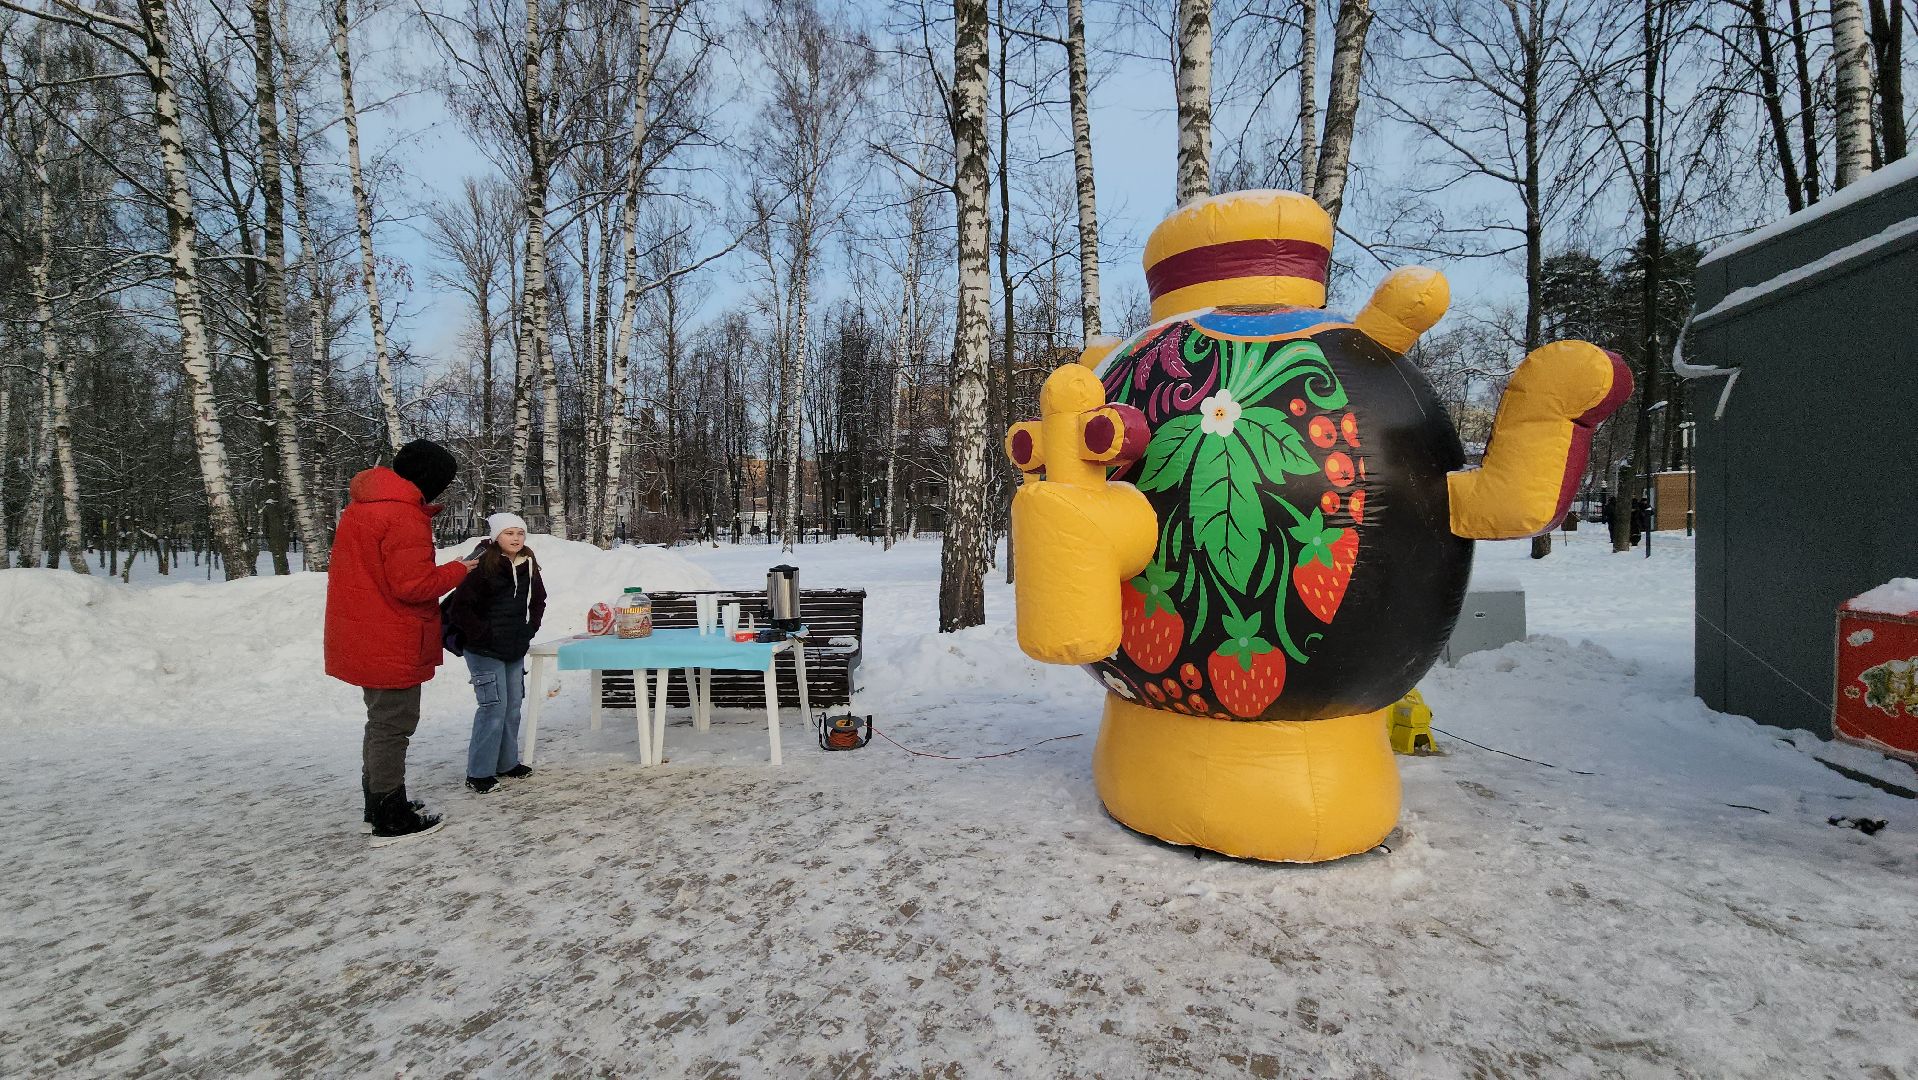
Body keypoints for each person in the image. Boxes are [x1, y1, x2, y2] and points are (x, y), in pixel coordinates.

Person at [324, 439, 477, 844]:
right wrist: (460, 569)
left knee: (381, 723)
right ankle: (390, 814)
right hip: (390, 636)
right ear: (431, 479)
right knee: (394, 725)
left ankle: (378, 802)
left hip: (364, 631)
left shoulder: (362, 509)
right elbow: (414, 585)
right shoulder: (403, 516)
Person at [442, 512, 547, 794]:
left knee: (512, 707)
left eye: (519, 533)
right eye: (509, 533)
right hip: (484, 650)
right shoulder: (481, 565)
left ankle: (506, 762)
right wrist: (484, 635)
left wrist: (529, 629)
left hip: (514, 648)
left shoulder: (528, 563)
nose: (515, 538)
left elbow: (538, 599)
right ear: (496, 536)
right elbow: (460, 609)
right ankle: (479, 773)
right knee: (493, 708)